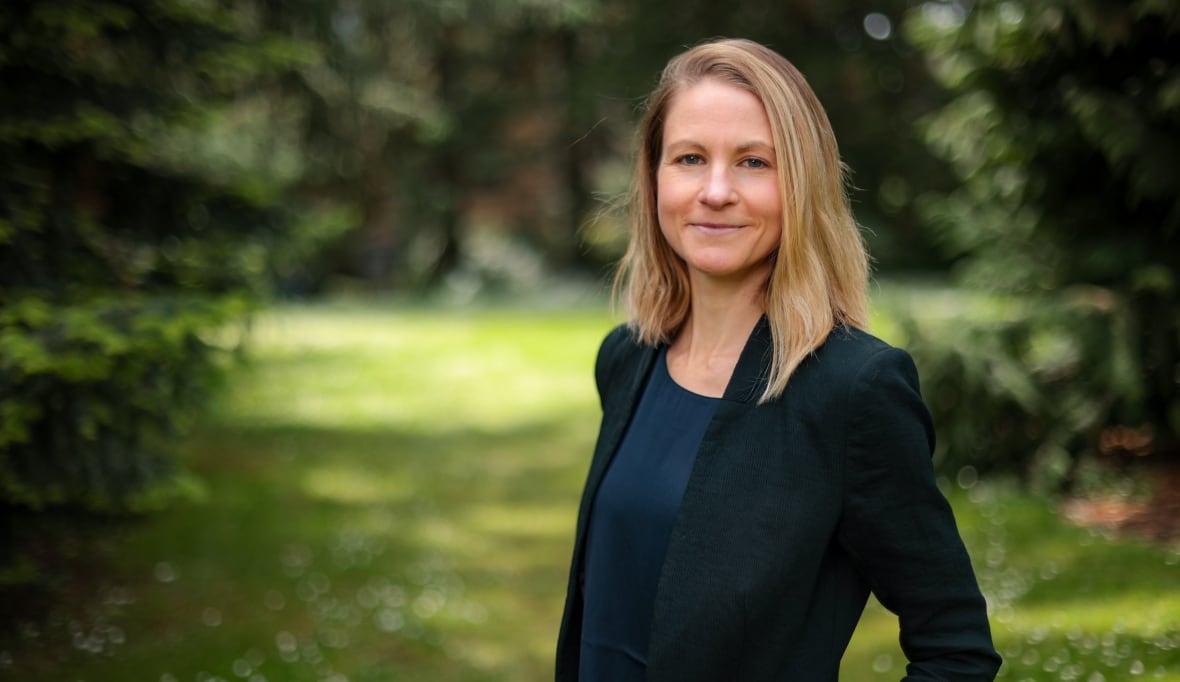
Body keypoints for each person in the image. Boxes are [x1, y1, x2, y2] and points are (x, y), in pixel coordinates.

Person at [555, 38, 1001, 681]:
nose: (715, 191)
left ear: (802, 184)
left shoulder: (854, 390)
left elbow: (956, 651)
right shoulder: (626, 360)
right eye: (689, 158)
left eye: (753, 162)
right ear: (654, 176)